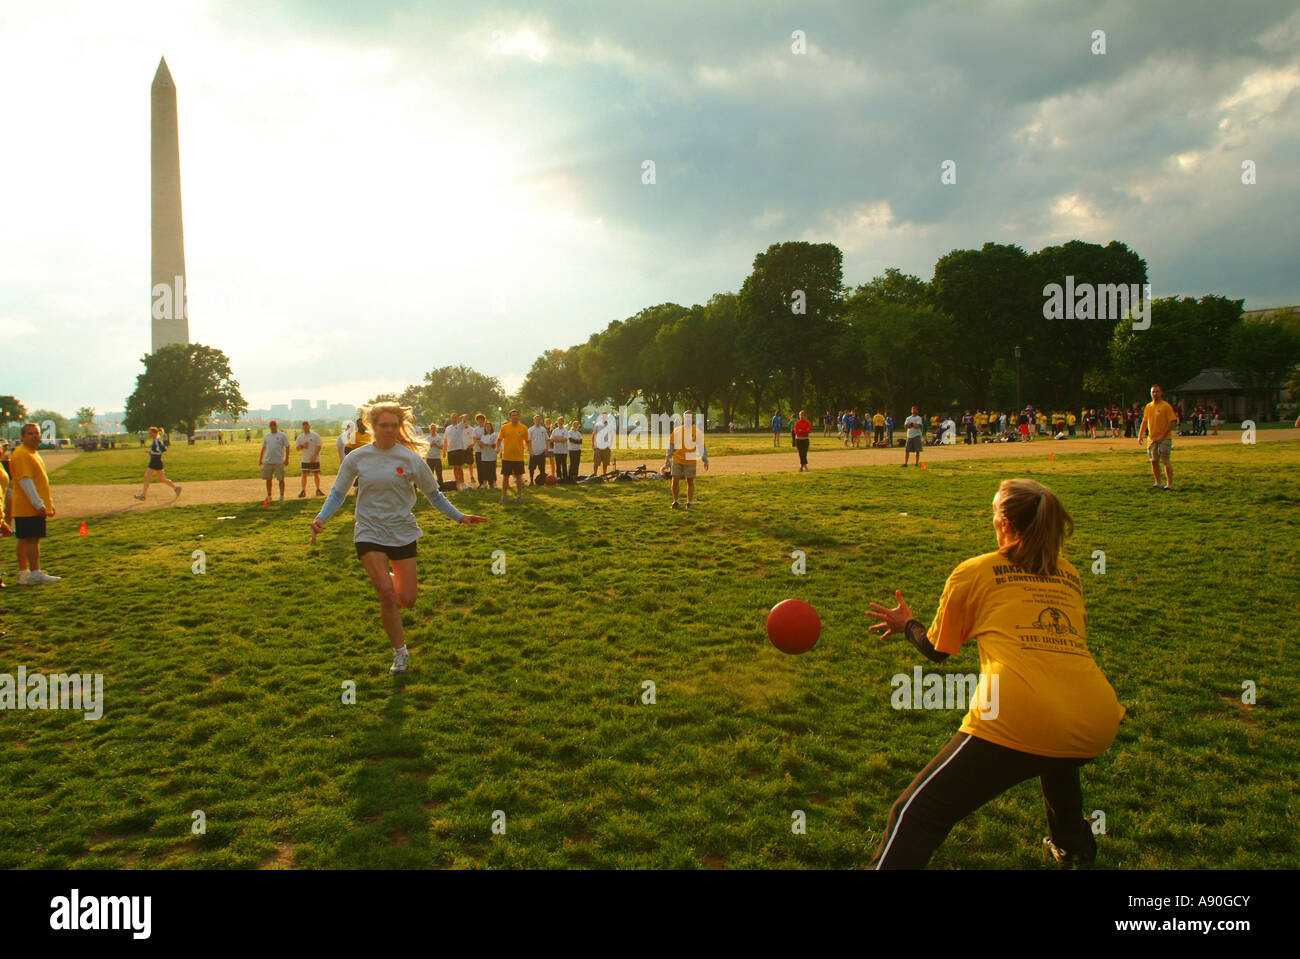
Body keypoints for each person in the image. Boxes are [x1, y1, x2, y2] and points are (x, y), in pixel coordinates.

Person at [866, 478, 1124, 868]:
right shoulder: (1068, 573)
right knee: (1057, 755)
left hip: (1017, 713)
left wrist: (907, 624)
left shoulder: (975, 571)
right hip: (1096, 717)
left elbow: (937, 651)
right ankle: (1074, 848)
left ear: (1003, 524)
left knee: (914, 814)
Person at [310, 404, 487, 674]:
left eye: (394, 425)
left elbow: (434, 494)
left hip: (402, 531)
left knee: (407, 598)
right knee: (385, 593)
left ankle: (389, 581)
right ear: (372, 426)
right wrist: (322, 517)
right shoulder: (357, 458)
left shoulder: (411, 459)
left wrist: (459, 516)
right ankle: (400, 653)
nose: (389, 430)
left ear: (400, 426)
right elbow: (337, 493)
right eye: (384, 425)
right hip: (369, 531)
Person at [10, 422, 60, 584]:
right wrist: (38, 504)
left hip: (28, 505)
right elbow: (26, 481)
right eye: (30, 433)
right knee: (32, 538)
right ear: (23, 437)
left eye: (36, 433)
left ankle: (24, 573)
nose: (34, 436)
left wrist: (48, 501)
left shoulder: (32, 453)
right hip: (28, 506)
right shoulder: (22, 454)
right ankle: (35, 573)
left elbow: (39, 481)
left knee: (25, 538)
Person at [1137, 384, 1178, 491]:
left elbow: (1172, 422)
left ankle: (1169, 484)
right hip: (1152, 439)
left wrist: (1162, 436)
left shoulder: (1166, 406)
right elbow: (1145, 421)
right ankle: (1158, 483)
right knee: (1153, 461)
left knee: (1165, 461)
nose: (1155, 394)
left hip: (1164, 439)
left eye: (1157, 391)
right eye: (1153, 392)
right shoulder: (1148, 407)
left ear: (1161, 393)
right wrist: (1140, 434)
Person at [663, 411, 708, 508]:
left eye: (690, 417)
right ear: (684, 418)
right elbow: (671, 445)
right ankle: (675, 501)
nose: (688, 419)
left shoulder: (697, 432)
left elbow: (702, 447)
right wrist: (667, 457)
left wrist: (705, 460)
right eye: (686, 417)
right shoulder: (677, 430)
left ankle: (689, 502)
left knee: (690, 481)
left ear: (693, 419)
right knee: (675, 480)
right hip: (677, 459)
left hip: (690, 459)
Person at [133, 426, 182, 500]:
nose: (149, 434)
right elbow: (164, 449)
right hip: (157, 461)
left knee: (147, 477)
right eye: (149, 433)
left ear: (155, 433)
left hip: (155, 462)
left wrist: (151, 452)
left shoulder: (156, 440)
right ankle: (176, 488)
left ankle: (143, 495)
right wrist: (151, 452)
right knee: (161, 479)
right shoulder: (157, 440)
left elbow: (159, 451)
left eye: (151, 433)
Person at [496, 409, 529, 503]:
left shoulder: (523, 428)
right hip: (507, 457)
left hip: (519, 457)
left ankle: (518, 496)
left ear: (518, 416)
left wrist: (530, 449)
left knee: (519, 477)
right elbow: (499, 439)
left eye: (516, 415)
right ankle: (504, 496)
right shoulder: (505, 427)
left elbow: (527, 441)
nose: (515, 417)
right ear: (510, 417)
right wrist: (497, 448)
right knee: (505, 477)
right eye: (513, 415)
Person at [259, 420, 291, 501]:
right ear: (269, 427)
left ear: (276, 426)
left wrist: (287, 458)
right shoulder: (267, 436)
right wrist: (260, 459)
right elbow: (263, 448)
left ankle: (281, 495)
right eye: (271, 425)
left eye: (274, 425)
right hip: (268, 461)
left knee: (281, 479)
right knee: (268, 479)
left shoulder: (282, 435)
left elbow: (287, 446)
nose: (273, 427)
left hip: (279, 461)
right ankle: (269, 495)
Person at [296, 421, 324, 498]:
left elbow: (319, 446)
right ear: (302, 427)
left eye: (307, 426)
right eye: (304, 426)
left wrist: (315, 456)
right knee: (304, 475)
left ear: (309, 426)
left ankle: (318, 489)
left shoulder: (315, 435)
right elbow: (297, 448)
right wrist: (302, 446)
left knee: (316, 474)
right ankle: (303, 491)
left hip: (315, 459)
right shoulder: (300, 437)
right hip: (305, 459)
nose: (305, 428)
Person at [443, 413, 468, 490]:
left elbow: (465, 417)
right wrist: (444, 450)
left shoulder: (460, 426)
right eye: (452, 417)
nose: (454, 419)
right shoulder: (448, 428)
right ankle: (457, 483)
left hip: (459, 449)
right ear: (451, 419)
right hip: (451, 450)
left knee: (460, 467)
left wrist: (460, 417)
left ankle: (463, 482)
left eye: (455, 417)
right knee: (455, 467)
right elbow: (445, 440)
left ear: (457, 418)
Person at [591, 409, 615, 477]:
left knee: (605, 462)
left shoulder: (610, 425)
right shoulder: (597, 425)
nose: (604, 417)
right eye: (603, 416)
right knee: (596, 462)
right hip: (598, 446)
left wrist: (610, 444)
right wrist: (593, 444)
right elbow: (593, 435)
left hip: (606, 447)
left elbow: (612, 435)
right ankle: (595, 475)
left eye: (605, 416)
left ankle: (604, 475)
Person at [527, 414, 549, 485]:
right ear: (533, 421)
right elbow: (529, 441)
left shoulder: (543, 429)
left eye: (539, 419)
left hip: (542, 451)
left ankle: (542, 481)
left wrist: (546, 449)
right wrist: (530, 450)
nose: (538, 421)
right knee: (531, 468)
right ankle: (531, 481)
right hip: (533, 452)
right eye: (536, 419)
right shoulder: (530, 430)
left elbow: (546, 439)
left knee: (542, 468)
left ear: (541, 421)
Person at [477, 419, 498, 490]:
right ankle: (484, 483)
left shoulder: (494, 435)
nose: (487, 428)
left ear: (491, 427)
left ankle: (494, 483)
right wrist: (480, 444)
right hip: (484, 456)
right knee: (485, 470)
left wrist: (486, 444)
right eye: (486, 427)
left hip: (492, 456)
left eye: (489, 427)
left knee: (492, 470)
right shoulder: (483, 436)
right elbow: (482, 446)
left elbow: (494, 445)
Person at [550, 416, 570, 483]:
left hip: (563, 451)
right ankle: (558, 478)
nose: (560, 423)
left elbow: (565, 439)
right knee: (558, 465)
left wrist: (557, 439)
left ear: (563, 422)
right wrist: (559, 439)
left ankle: (565, 478)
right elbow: (551, 439)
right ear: (557, 422)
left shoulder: (565, 430)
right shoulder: (555, 430)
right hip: (556, 450)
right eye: (559, 422)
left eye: (561, 422)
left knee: (564, 464)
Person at [425, 422, 445, 487]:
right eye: (431, 428)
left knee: (439, 473)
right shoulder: (427, 438)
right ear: (430, 429)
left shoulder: (439, 438)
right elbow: (425, 448)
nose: (433, 429)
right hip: (429, 458)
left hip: (437, 458)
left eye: (434, 428)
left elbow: (442, 447)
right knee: (430, 474)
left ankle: (441, 486)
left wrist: (436, 444)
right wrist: (431, 444)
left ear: (436, 429)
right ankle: (431, 487)